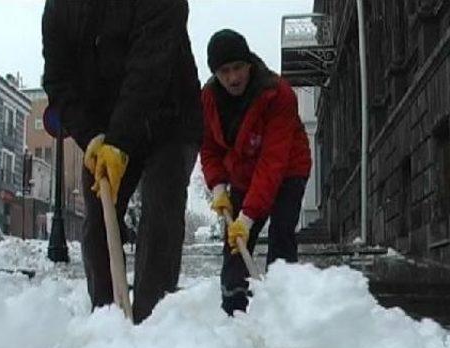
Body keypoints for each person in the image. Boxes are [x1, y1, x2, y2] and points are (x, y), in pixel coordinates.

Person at [41, 0, 203, 324]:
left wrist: (120, 141)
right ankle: (106, 323)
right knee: (100, 214)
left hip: (169, 116)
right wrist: (92, 138)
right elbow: (59, 81)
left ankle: (152, 321)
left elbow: (150, 67)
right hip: (103, 128)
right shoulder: (60, 8)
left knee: (161, 209)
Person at [200, 29, 312, 315]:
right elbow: (211, 148)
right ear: (215, 73)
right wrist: (218, 187)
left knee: (282, 232)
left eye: (238, 68)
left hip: (287, 169)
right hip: (241, 174)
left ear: (249, 64)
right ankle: (234, 306)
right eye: (224, 71)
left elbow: (272, 162)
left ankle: (281, 305)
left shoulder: (277, 94)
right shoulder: (209, 99)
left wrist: (248, 217)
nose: (233, 78)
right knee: (236, 243)